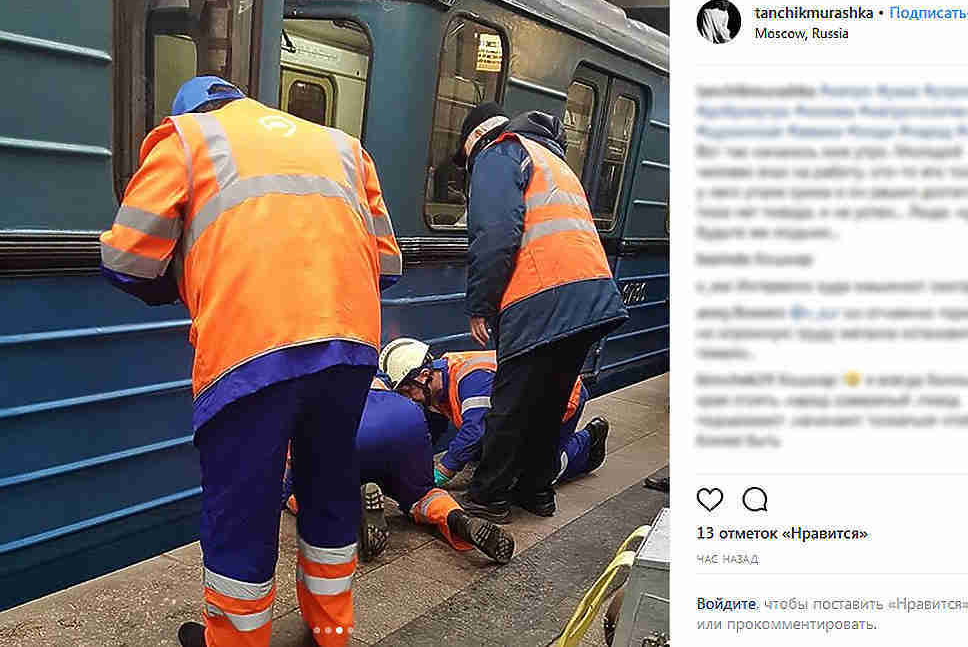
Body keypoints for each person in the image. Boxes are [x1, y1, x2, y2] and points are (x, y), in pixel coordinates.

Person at [99, 76, 401, 647]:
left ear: (187, 110)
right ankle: (332, 631)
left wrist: (193, 278)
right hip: (351, 344)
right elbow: (386, 265)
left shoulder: (186, 139)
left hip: (249, 349)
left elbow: (126, 259)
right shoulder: (340, 144)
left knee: (243, 504)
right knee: (330, 483)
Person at [453, 103, 628, 520]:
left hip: (541, 296)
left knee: (512, 400)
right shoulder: (552, 158)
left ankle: (489, 495)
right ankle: (535, 491)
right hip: (591, 297)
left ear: (474, 140)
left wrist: (481, 305)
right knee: (549, 403)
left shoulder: (499, 152)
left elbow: (496, 233)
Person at [282, 376, 516, 564]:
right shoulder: (369, 361)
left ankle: (352, 514)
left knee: (298, 492)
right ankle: (457, 519)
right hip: (403, 416)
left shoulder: (298, 375)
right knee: (422, 494)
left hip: (343, 426)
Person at [379, 339, 610, 522]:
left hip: (558, 400)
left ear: (423, 375)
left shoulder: (470, 378)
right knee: (494, 459)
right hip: (518, 411)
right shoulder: (437, 387)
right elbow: (433, 430)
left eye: (408, 390)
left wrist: (442, 471)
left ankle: (587, 444)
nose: (409, 398)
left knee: (533, 478)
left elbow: (474, 430)